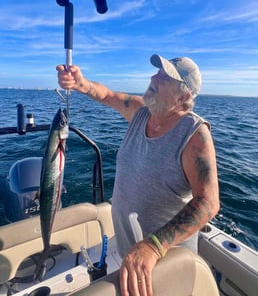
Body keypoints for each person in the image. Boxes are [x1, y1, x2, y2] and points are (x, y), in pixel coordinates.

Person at [56, 54, 220, 296]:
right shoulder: (142, 111)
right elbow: (108, 96)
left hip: (166, 259)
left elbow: (208, 203)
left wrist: (154, 247)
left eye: (164, 77)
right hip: (131, 253)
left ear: (183, 97)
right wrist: (81, 83)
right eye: (157, 72)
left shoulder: (194, 135)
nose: (153, 77)